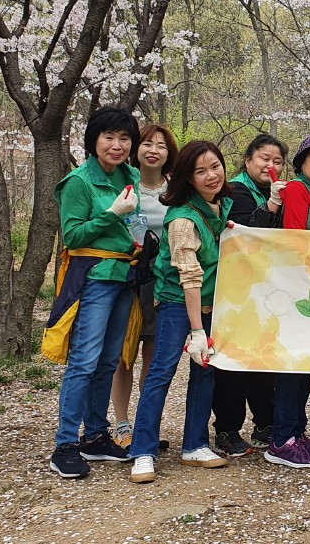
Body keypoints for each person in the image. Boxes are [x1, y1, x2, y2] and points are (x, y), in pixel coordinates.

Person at [128, 141, 234, 483]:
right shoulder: (183, 219)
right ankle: (142, 451)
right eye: (199, 171)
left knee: (205, 372)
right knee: (161, 372)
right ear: (187, 178)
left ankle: (195, 445)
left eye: (214, 166)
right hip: (178, 303)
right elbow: (189, 277)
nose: (210, 176)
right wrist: (197, 330)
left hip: (211, 305)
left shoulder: (220, 207)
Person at [46, 106, 142, 478]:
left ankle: (96, 435)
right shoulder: (78, 182)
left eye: (124, 138)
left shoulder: (129, 175)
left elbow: (136, 224)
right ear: (94, 140)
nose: (117, 145)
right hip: (94, 276)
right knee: (84, 360)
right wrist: (113, 213)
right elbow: (72, 236)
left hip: (124, 274)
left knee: (108, 360)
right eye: (109, 137)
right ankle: (65, 444)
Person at [262, 133, 310, 469]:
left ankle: (297, 432)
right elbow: (295, 237)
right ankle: (282, 439)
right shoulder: (296, 190)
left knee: (304, 364)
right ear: (302, 164)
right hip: (297, 288)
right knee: (292, 365)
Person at [211, 134, 285, 456]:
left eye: (278, 161)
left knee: (263, 359)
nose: (271, 165)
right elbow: (242, 233)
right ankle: (226, 429)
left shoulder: (276, 191)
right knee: (233, 360)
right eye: (264, 159)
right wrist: (270, 205)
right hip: (234, 289)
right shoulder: (236, 191)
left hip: (266, 288)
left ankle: (264, 423)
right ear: (248, 161)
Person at [111, 123, 177, 449]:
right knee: (124, 355)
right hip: (127, 278)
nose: (154, 150)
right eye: (148, 143)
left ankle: (145, 425)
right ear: (137, 149)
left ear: (169, 153)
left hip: (161, 281)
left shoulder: (176, 189)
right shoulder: (124, 186)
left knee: (153, 356)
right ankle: (121, 425)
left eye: (161, 145)